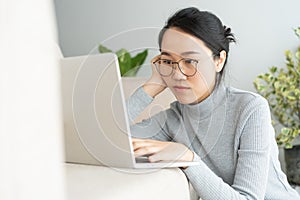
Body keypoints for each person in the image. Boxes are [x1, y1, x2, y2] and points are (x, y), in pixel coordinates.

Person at [126, 7, 300, 199]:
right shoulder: (172, 118)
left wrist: (188, 159)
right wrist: (152, 85)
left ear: (219, 60)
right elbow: (111, 140)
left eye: (190, 61)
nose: (177, 75)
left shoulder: (250, 108)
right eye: (168, 61)